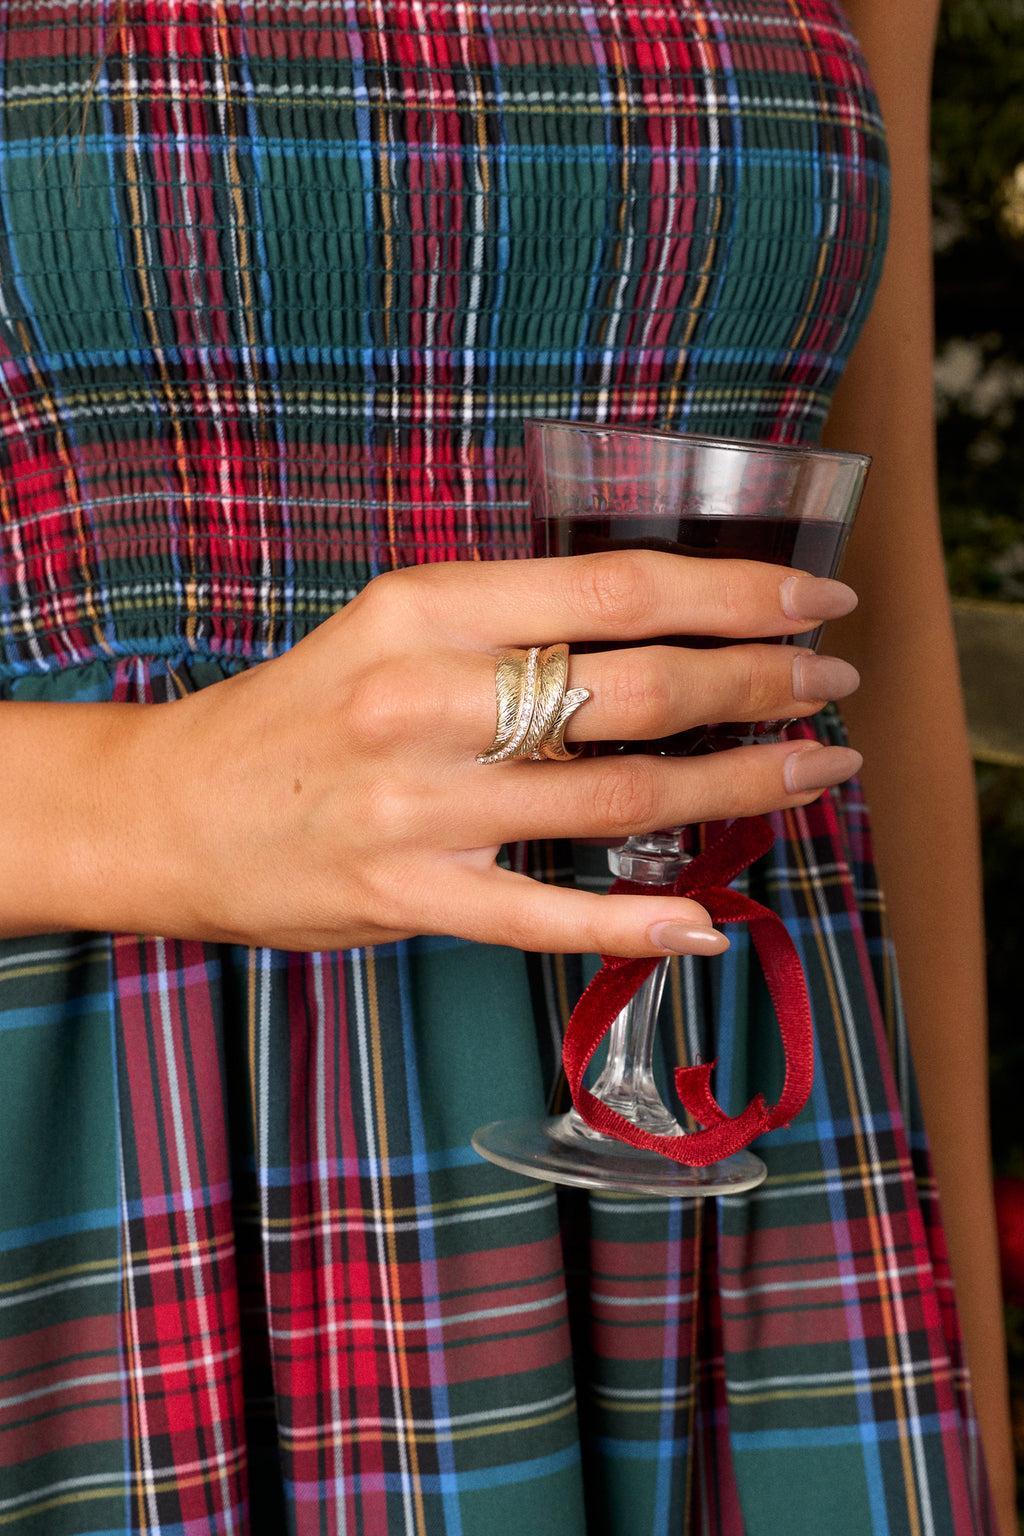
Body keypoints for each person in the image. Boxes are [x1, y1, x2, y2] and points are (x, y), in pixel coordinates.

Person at [0, 1, 1012, 1532]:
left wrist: (971, 1415)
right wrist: (147, 804)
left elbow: (874, 633)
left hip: (728, 1154)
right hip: (90, 1131)